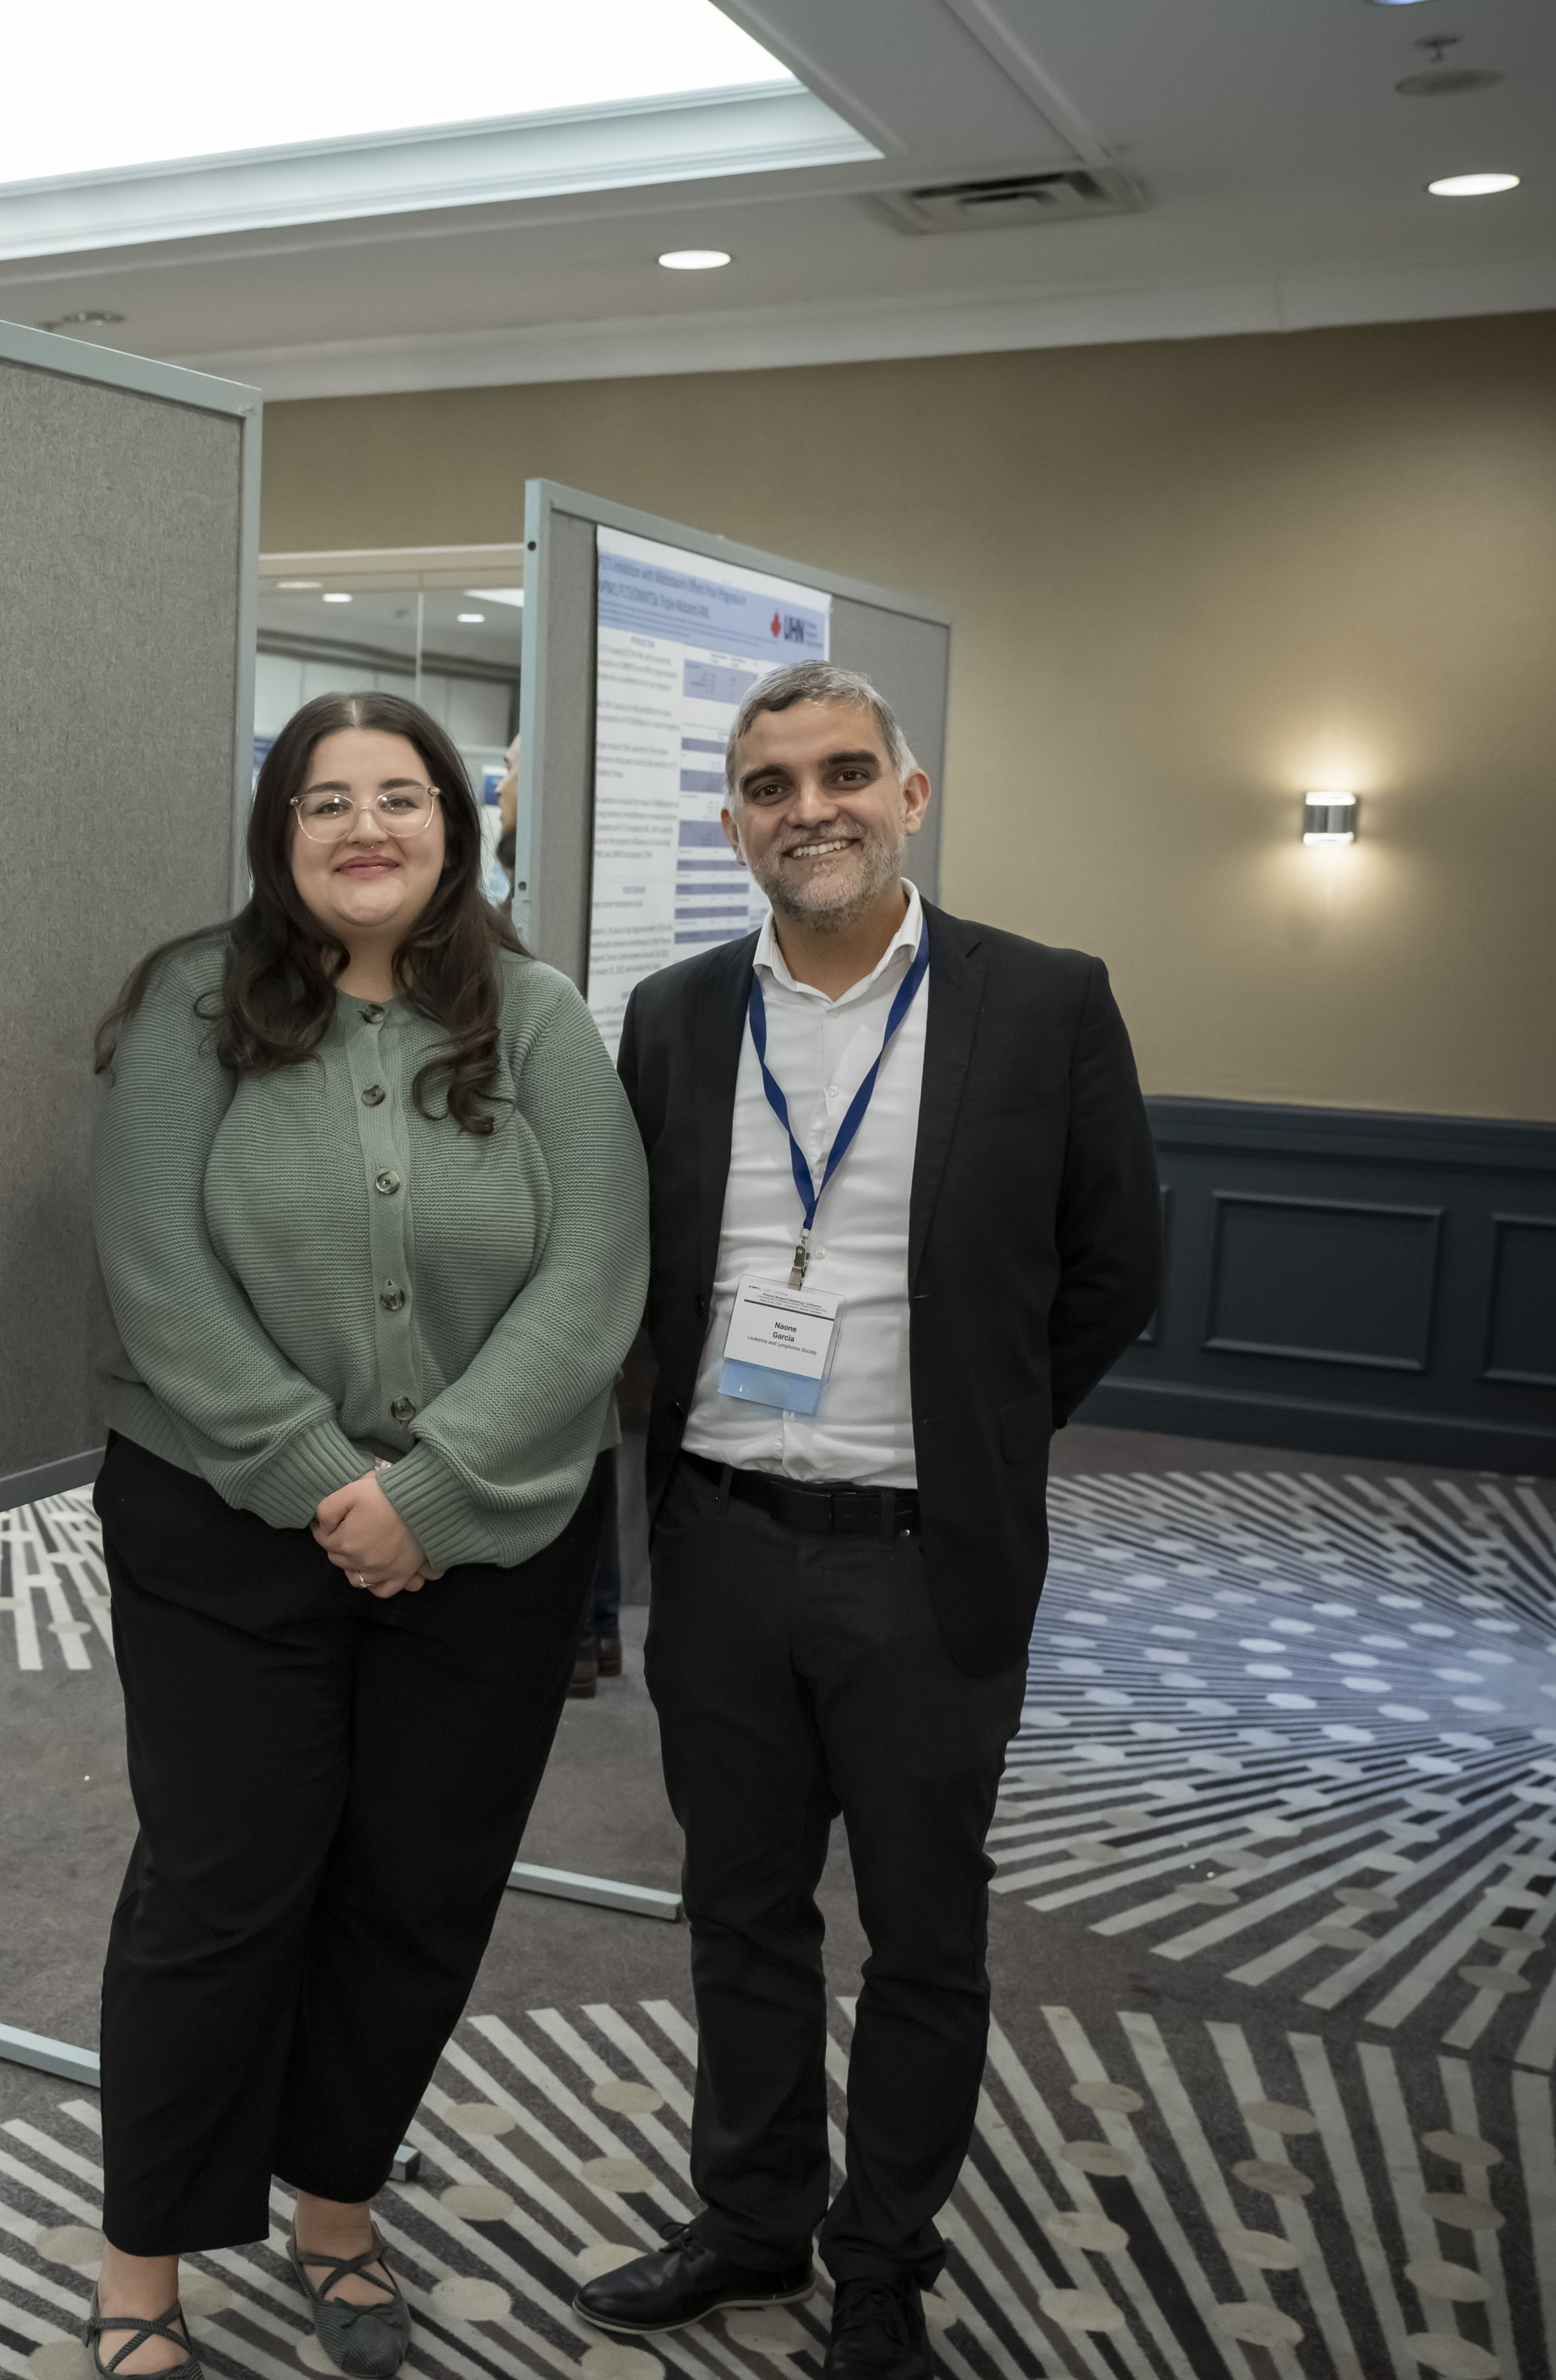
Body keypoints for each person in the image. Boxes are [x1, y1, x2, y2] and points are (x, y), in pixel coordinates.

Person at [578, 663, 1160, 2378]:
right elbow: (638, 1269)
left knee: (926, 1930)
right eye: (770, 784)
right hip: (722, 1545)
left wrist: (978, 1432)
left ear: (910, 795)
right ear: (734, 822)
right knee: (740, 1907)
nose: (808, 808)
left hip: (926, 1559)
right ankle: (753, 2213)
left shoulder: (1043, 1000)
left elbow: (1115, 1268)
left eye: (844, 773)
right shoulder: (675, 1013)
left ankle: (884, 2258)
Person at [82, 689, 650, 2377]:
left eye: (401, 796)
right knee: (223, 1885)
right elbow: (153, 1268)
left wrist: (434, 1490)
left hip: (493, 1533)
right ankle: (142, 2253)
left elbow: (596, 1274)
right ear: (280, 831)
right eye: (323, 800)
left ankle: (338, 2207)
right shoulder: (193, 1003)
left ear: (456, 825)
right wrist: (326, 1474)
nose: (364, 828)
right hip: (223, 1518)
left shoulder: (537, 1014)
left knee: (418, 1887)